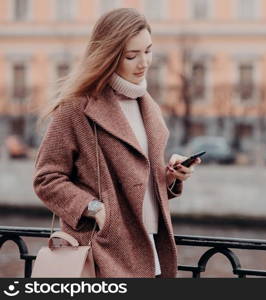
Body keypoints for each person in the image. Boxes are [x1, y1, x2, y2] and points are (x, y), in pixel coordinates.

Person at [32, 8, 201, 278]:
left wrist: (170, 177)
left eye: (148, 51)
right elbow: (47, 179)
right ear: (109, 56)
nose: (144, 63)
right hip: (104, 252)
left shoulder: (148, 107)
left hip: (151, 248)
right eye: (131, 56)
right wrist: (95, 209)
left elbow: (136, 184)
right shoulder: (77, 109)